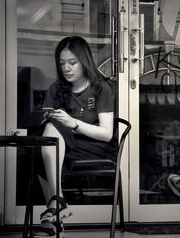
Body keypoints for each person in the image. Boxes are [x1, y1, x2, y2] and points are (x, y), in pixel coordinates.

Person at [36, 36, 115, 236]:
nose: (67, 68)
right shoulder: (56, 88)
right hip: (62, 147)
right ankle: (57, 206)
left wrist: (73, 123)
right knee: (39, 148)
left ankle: (56, 210)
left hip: (93, 147)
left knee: (50, 137)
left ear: (84, 61)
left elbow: (107, 134)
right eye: (62, 64)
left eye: (72, 63)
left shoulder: (100, 88)